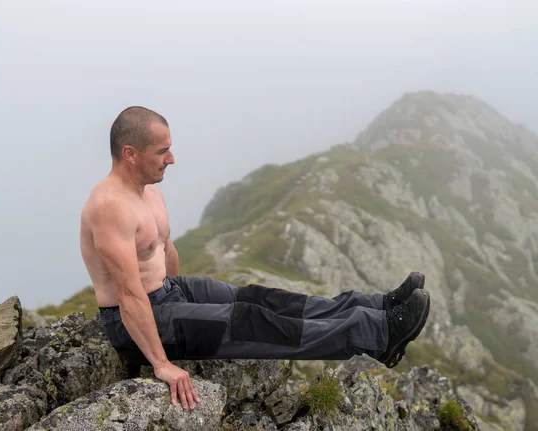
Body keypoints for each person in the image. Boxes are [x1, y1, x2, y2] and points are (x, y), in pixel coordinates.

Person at [79, 106, 431, 411]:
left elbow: (165, 252)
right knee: (250, 321)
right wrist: (160, 362)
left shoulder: (149, 194)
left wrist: (184, 302)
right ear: (130, 153)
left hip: (168, 293)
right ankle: (379, 334)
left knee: (262, 298)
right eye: (162, 151)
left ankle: (378, 306)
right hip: (138, 321)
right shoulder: (110, 207)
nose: (171, 158)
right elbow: (128, 294)